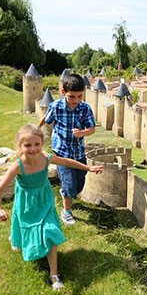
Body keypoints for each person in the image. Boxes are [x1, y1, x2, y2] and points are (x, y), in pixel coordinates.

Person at [0, 124, 103, 291]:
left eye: (37, 144)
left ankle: (54, 274)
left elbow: (66, 161)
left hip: (46, 203)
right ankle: (15, 239)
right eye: (28, 145)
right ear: (20, 147)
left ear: (42, 143)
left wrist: (88, 167)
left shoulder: (45, 157)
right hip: (27, 205)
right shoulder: (18, 166)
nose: (33, 149)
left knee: (50, 232)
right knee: (24, 227)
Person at [38, 73, 96, 225]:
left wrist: (82, 132)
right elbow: (47, 118)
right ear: (63, 93)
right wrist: (35, 129)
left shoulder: (85, 108)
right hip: (62, 151)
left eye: (79, 96)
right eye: (72, 97)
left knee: (79, 184)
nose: (76, 100)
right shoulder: (56, 106)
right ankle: (67, 211)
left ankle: (67, 192)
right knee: (69, 183)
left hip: (78, 152)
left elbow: (91, 128)